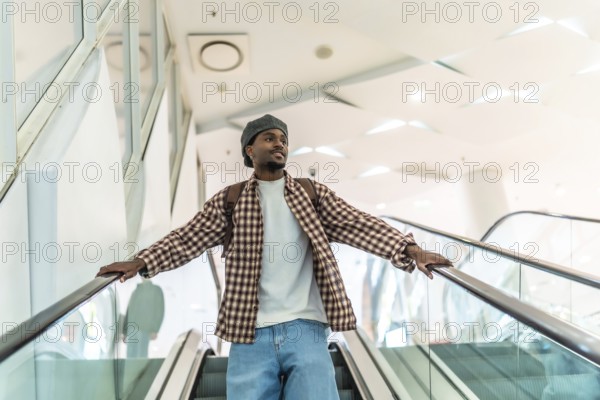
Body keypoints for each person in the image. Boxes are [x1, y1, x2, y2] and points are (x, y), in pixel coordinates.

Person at [97, 114, 453, 400]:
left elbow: (358, 224)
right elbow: (188, 237)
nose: (279, 144)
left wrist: (411, 250)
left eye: (283, 139)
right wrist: (142, 261)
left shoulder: (311, 194)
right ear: (249, 150)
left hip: (307, 327)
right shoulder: (231, 199)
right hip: (249, 332)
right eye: (269, 138)